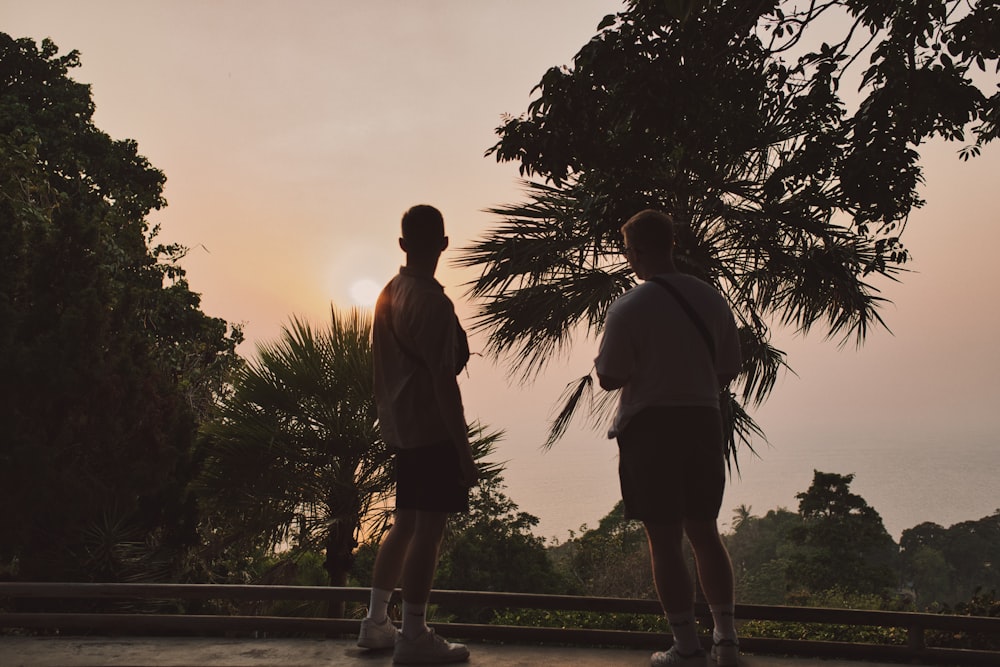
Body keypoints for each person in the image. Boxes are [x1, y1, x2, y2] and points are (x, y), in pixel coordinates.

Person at [594, 209, 742, 667]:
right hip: (703, 420)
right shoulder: (712, 299)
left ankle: (686, 645)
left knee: (663, 538)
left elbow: (610, 376)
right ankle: (727, 639)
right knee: (704, 531)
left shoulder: (629, 307)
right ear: (671, 245)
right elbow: (730, 366)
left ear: (635, 250)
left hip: (652, 428)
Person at [357, 204, 478, 664]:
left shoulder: (390, 291)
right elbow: (444, 384)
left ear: (403, 244)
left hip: (401, 426)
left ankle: (375, 623)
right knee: (429, 532)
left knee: (404, 523)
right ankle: (413, 635)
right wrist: (463, 451)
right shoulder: (433, 303)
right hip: (430, 429)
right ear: (444, 244)